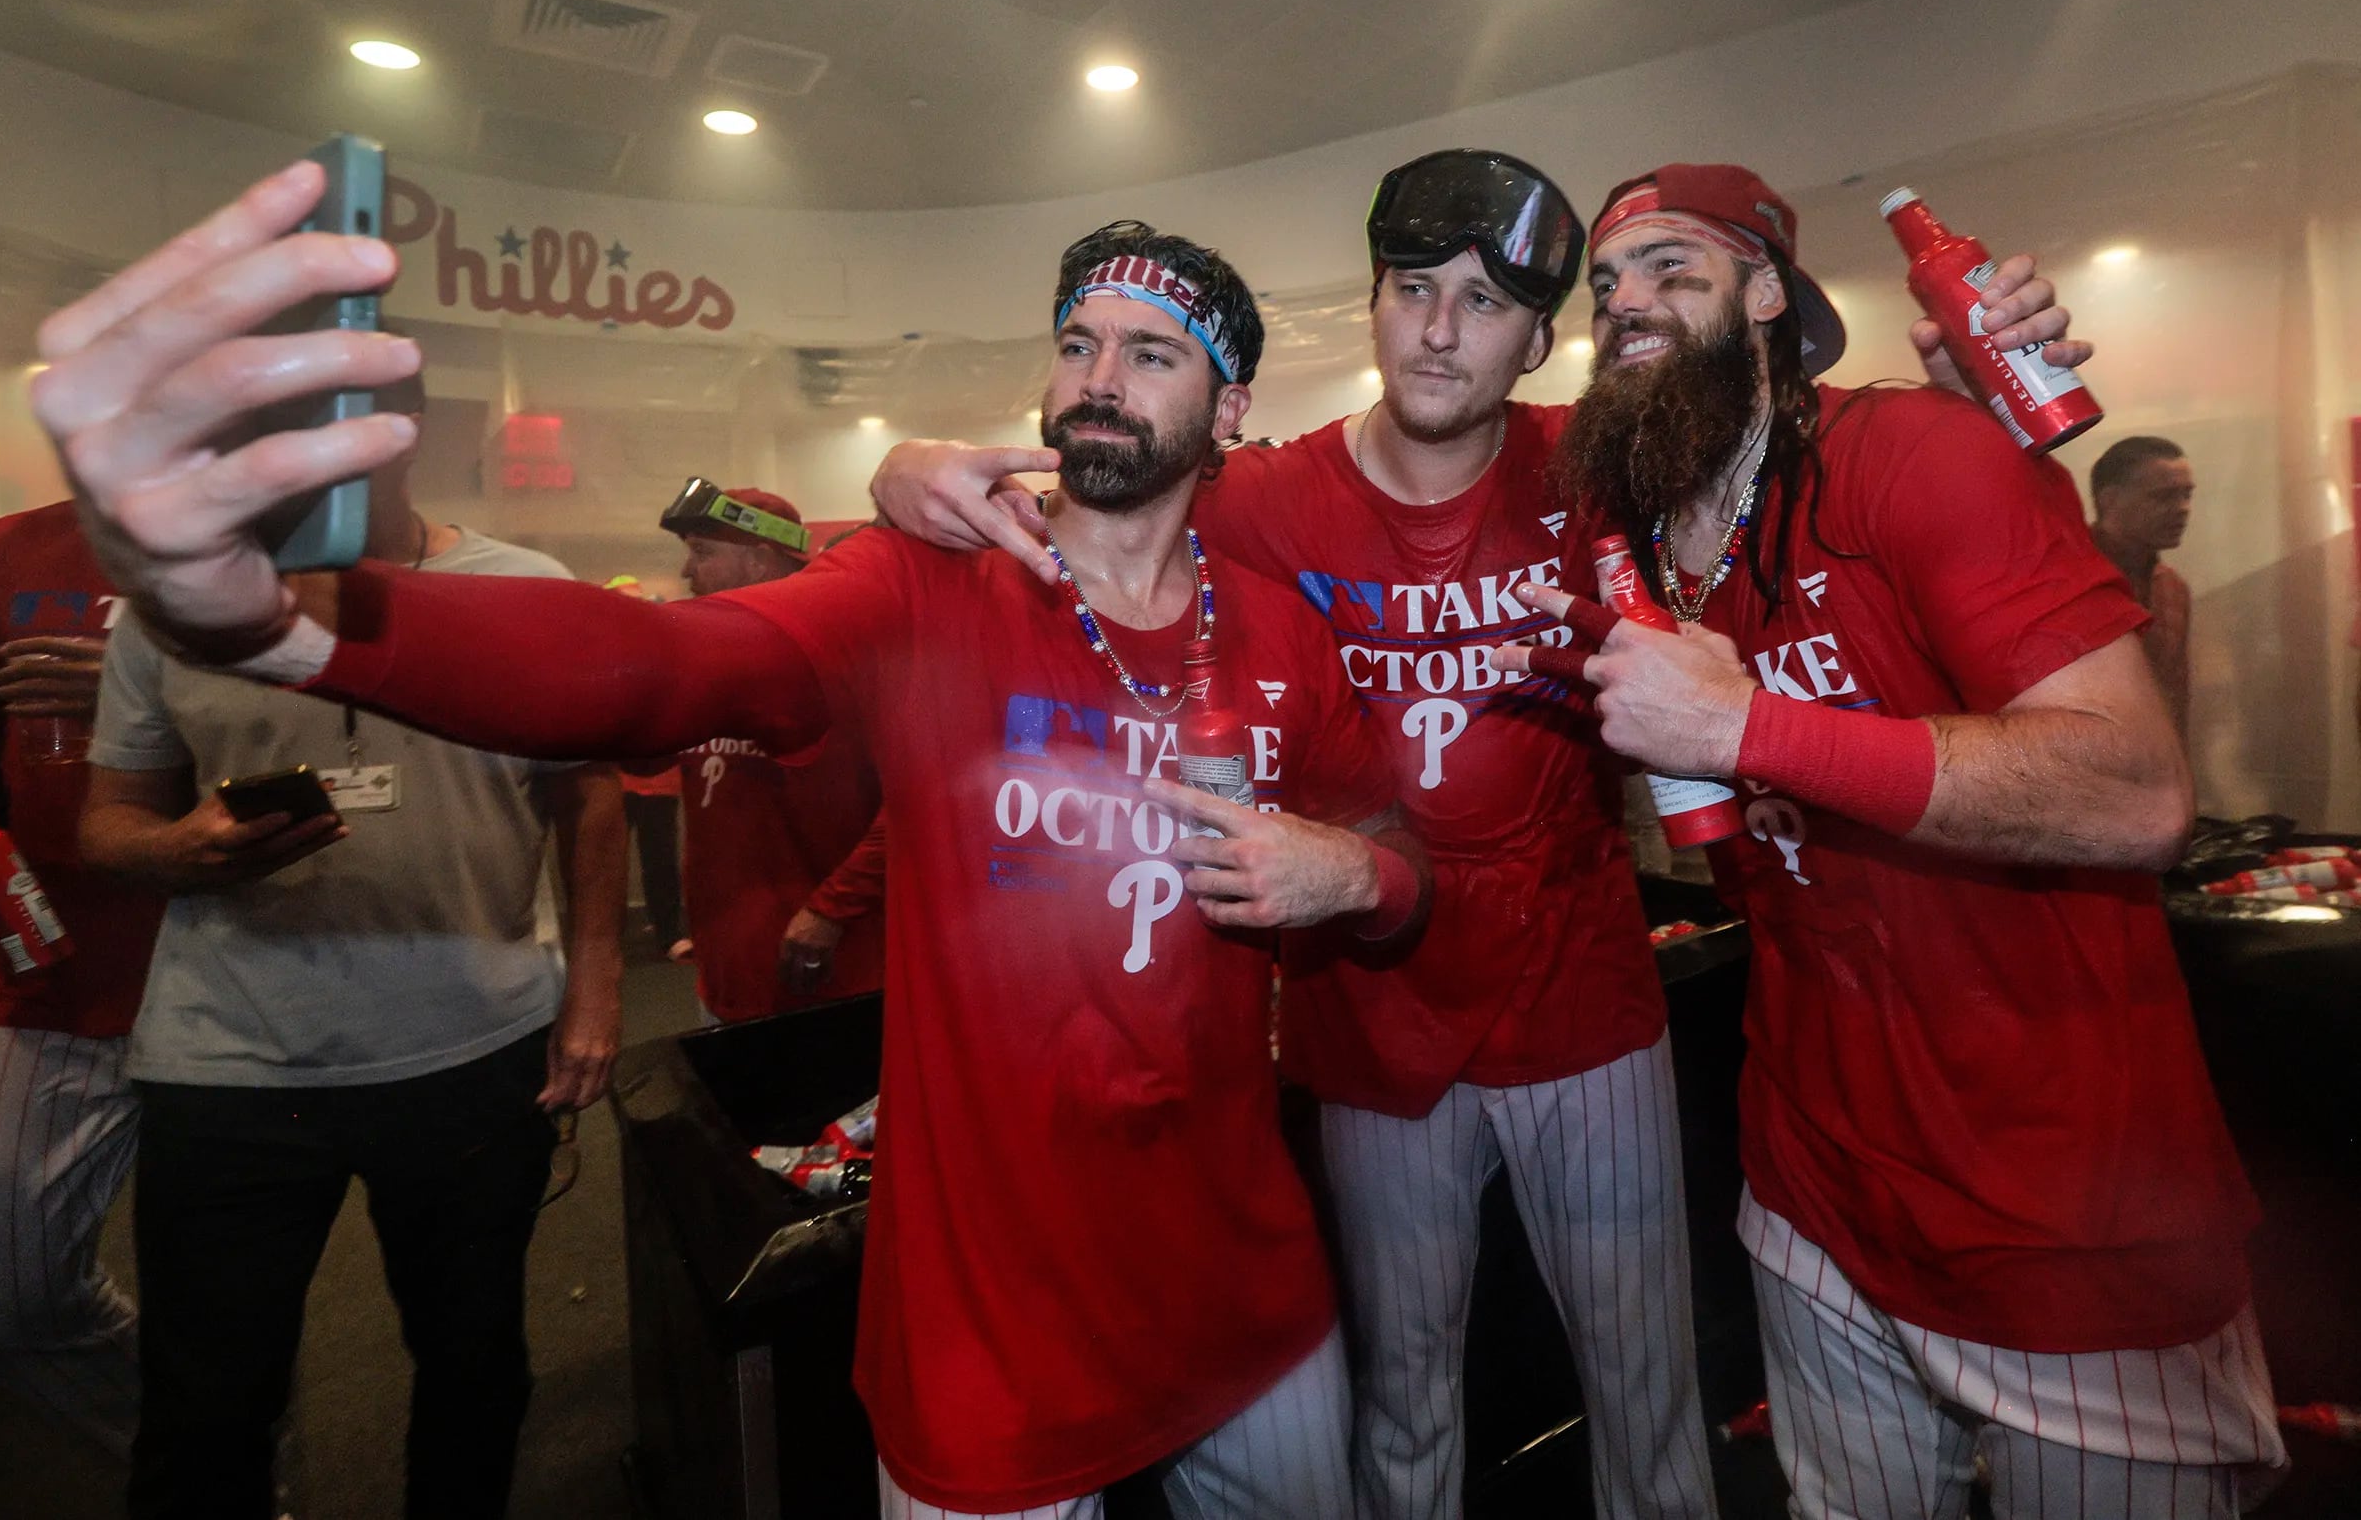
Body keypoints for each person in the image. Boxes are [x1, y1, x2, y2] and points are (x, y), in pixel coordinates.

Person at [26, 165, 1436, 1519]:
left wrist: (1353, 869)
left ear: (1231, 405)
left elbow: (1397, 872)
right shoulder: (926, 583)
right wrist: (293, 619)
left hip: (1244, 1287)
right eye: (1076, 342)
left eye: (1151, 353)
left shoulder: (1279, 636)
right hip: (995, 1321)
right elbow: (654, 666)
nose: (1098, 379)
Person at [870, 149, 2081, 1520]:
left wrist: (1982, 401)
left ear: (1536, 336)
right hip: (1373, 1021)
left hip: (1583, 1002)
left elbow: (1785, 462)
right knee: (1402, 1409)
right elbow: (1103, 501)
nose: (1442, 328)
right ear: (1374, 301)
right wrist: (902, 472)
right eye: (1413, 287)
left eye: (1489, 300)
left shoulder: (1606, 459)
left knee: (1647, 1392)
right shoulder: (1257, 496)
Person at [1503, 163, 2280, 1517]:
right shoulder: (1649, 549)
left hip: (2059, 1206)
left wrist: (1749, 727)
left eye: (1673, 268)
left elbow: (2138, 792)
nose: (1626, 301)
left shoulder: (1916, 452)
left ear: (1766, 298)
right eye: (1608, 284)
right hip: (1813, 1191)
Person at [75, 372, 628, 1520]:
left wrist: (595, 997)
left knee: (474, 1369)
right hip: (228, 1061)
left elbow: (591, 797)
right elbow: (107, 821)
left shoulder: (524, 592)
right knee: (207, 1408)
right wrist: (181, 849)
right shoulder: (170, 601)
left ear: (403, 429)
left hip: (473, 1044)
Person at [0, 501, 163, 1456]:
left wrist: (147, 686)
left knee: (230, 1295)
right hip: (45, 950)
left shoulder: (270, 529)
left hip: (231, 950)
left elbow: (331, 720)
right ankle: (207, 1463)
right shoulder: (2, 550)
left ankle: (231, 1483)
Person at [659, 484, 888, 1023]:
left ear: (762, 561)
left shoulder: (847, 658)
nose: (688, 572)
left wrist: (828, 912)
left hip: (830, 977)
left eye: (704, 553)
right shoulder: (705, 663)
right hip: (726, 971)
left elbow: (918, 807)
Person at [604, 576, 692, 961]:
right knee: (603, 861)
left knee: (660, 858)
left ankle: (668, 929)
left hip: (660, 778)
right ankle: (603, 938)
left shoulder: (665, 657)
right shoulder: (600, 660)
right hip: (613, 779)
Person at [2087, 435, 2195, 734]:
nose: (2183, 508)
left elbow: (2175, 699)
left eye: (2187, 495)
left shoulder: (2171, 588)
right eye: (2163, 496)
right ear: (2109, 500)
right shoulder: (2071, 581)